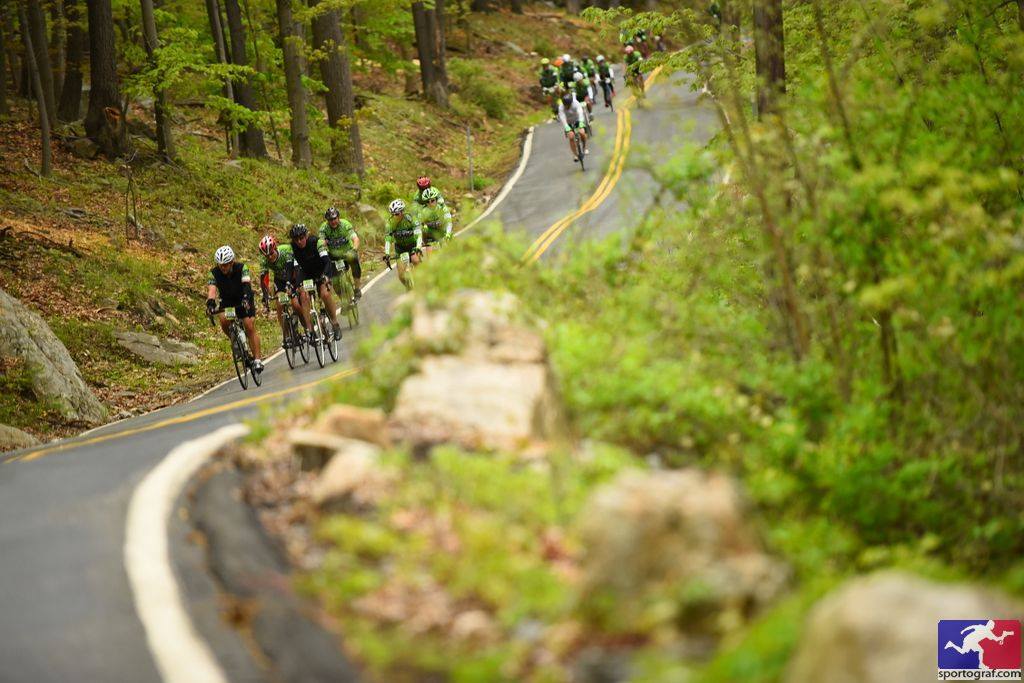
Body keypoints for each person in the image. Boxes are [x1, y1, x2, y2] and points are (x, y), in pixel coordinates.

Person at [206, 246, 263, 373]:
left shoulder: (242, 268)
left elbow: (246, 285)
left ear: (232, 262)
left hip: (243, 298)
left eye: (225, 264)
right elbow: (212, 290)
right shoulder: (213, 273)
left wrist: (246, 299)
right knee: (223, 320)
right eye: (220, 265)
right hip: (227, 301)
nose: (223, 267)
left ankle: (257, 359)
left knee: (249, 326)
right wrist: (210, 303)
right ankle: (236, 341)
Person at [288, 223, 342, 342]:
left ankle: (335, 324)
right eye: (296, 239)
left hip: (321, 271)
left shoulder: (316, 242)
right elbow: (296, 269)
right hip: (307, 274)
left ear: (306, 236)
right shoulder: (293, 248)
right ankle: (310, 331)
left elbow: (327, 262)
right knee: (303, 296)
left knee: (325, 294)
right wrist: (296, 285)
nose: (299, 241)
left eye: (301, 238)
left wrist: (326, 276)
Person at [258, 234, 311, 349]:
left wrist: (293, 286)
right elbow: (264, 279)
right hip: (280, 281)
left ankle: (307, 327)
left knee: (295, 304)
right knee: (279, 303)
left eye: (271, 253)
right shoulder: (264, 260)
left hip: (294, 276)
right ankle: (287, 335)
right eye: (266, 255)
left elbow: (295, 268)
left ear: (275, 248)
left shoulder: (286, 250)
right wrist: (265, 296)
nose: (269, 257)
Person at [319, 207, 362, 300]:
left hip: (347, 251)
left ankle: (357, 288)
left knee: (354, 261)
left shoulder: (345, 224)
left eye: (335, 219)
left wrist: (354, 249)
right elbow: (321, 242)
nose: (333, 221)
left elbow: (355, 239)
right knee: (334, 280)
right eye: (330, 220)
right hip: (334, 255)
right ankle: (343, 300)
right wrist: (322, 247)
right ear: (327, 220)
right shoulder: (324, 228)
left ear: (338, 217)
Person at [383, 199, 423, 290]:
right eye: (392, 214)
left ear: (402, 212)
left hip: (412, 245)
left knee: (415, 260)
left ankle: (422, 279)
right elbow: (388, 239)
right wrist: (387, 253)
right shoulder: (390, 223)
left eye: (397, 214)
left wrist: (418, 247)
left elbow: (418, 234)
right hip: (400, 248)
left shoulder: (410, 219)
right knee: (401, 276)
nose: (395, 216)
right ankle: (409, 288)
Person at [417, 187, 453, 253]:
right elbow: (418, 227)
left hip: (443, 232)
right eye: (427, 202)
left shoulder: (442, 208)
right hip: (430, 235)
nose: (430, 203)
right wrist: (419, 242)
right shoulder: (423, 211)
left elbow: (449, 222)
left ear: (436, 199)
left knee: (447, 250)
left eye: (432, 200)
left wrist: (448, 233)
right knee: (430, 255)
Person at [557, 92, 588, 162]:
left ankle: (585, 148)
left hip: (577, 120)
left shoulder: (576, 103)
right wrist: (567, 127)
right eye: (565, 105)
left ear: (571, 103)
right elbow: (562, 117)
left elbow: (580, 113)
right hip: (568, 122)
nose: (567, 107)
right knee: (571, 137)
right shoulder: (561, 107)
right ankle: (575, 155)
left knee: (582, 133)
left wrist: (581, 123)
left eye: (568, 105)